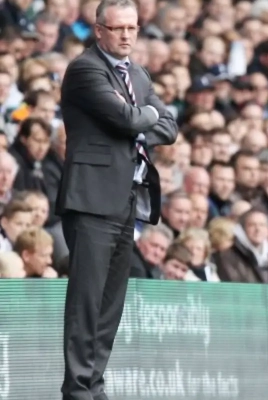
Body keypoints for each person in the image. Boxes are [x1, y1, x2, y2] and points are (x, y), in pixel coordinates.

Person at [55, 0, 178, 398]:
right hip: (91, 199)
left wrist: (139, 116)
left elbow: (170, 127)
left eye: (132, 27)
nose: (126, 35)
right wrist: (142, 116)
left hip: (126, 200)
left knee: (110, 304)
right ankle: (77, 389)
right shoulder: (86, 69)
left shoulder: (138, 74)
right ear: (99, 30)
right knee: (87, 302)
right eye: (118, 28)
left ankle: (94, 385)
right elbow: (126, 119)